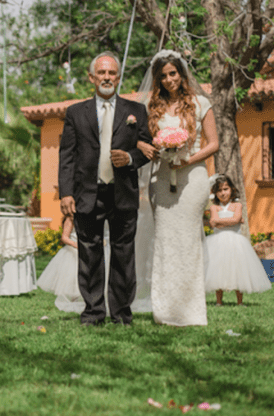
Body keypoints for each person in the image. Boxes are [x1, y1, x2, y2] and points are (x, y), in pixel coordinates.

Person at [58, 51, 152, 326]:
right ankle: (93, 313)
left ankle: (122, 314)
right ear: (92, 77)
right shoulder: (75, 112)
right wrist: (66, 193)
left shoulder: (136, 111)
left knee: (124, 255)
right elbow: (67, 156)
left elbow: (146, 150)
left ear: (119, 77)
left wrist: (131, 158)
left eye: (112, 73)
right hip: (88, 193)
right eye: (102, 73)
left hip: (123, 192)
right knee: (89, 254)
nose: (107, 77)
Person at [141, 49, 219, 326]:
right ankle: (164, 311)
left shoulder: (200, 103)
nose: (169, 79)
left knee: (188, 242)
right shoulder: (154, 107)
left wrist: (187, 159)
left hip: (193, 177)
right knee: (165, 242)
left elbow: (213, 143)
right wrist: (151, 147)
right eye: (163, 76)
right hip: (162, 178)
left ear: (181, 74)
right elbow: (144, 139)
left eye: (172, 73)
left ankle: (191, 311)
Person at [204, 175, 271, 305]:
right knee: (218, 271)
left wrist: (221, 221)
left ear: (232, 189)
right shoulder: (214, 208)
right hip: (218, 243)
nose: (223, 193)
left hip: (236, 242)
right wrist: (230, 221)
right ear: (215, 193)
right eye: (219, 190)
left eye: (225, 189)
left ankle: (240, 301)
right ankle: (219, 301)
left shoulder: (237, 205)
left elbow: (235, 220)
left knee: (239, 270)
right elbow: (213, 223)